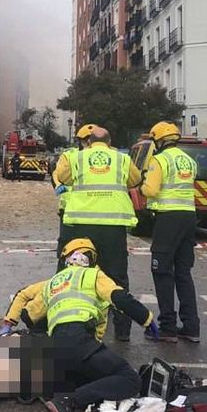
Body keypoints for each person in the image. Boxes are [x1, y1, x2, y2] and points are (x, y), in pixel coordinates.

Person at [0, 240, 158, 412]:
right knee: (129, 379)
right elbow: (120, 298)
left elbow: (29, 317)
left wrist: (14, 326)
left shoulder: (53, 283)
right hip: (80, 340)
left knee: (84, 373)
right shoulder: (93, 275)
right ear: (92, 258)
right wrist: (147, 319)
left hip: (55, 345)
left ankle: (45, 386)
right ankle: (69, 402)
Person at [52, 126, 142, 341]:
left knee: (73, 274)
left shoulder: (77, 158)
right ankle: (122, 331)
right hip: (113, 227)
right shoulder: (121, 159)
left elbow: (62, 178)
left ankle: (69, 323)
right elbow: (135, 180)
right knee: (117, 278)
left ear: (89, 142)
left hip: (81, 226)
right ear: (110, 143)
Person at [141, 121, 201, 343]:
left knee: (162, 271)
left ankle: (168, 327)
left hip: (167, 219)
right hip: (188, 217)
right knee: (183, 272)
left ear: (159, 140)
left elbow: (151, 189)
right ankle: (191, 327)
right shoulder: (189, 160)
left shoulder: (160, 160)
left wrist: (141, 185)